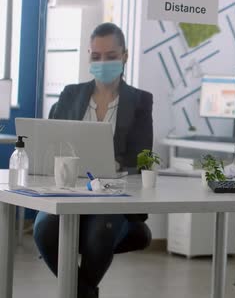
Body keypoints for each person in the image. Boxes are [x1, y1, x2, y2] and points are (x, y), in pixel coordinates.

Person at [33, 22, 153, 298]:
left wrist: (117, 166)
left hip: (112, 200)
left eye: (111, 56)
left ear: (124, 55)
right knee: (44, 230)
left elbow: (141, 157)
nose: (103, 62)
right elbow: (48, 145)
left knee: (99, 232)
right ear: (88, 56)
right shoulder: (70, 95)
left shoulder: (140, 101)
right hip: (67, 194)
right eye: (96, 56)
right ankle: (85, 293)